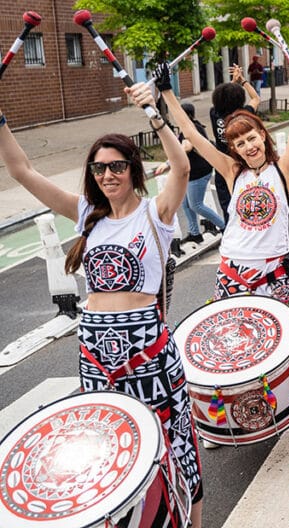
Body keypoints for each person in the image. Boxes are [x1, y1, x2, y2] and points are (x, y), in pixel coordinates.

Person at [0, 86, 205, 527]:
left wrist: (153, 113)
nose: (108, 175)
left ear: (133, 170)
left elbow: (183, 168)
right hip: (95, 349)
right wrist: (0, 120)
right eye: (99, 168)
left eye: (116, 167)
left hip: (147, 347)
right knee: (107, 447)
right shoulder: (84, 216)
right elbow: (22, 171)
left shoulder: (155, 213)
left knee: (174, 440)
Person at [155, 67, 289, 443]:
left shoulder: (281, 170)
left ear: (262, 137)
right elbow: (190, 134)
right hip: (232, 273)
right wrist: (168, 93)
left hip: (274, 276)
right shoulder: (232, 171)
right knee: (230, 350)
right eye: (240, 143)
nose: (248, 146)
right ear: (233, 149)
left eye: (252, 138)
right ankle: (224, 425)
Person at [155, 102, 225, 245]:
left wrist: (168, 163)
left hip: (199, 173)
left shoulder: (192, 128)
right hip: (192, 173)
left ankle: (225, 227)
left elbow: (186, 147)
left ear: (185, 115)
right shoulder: (188, 127)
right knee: (186, 204)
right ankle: (195, 233)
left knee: (196, 205)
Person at [210, 68, 260, 215]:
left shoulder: (214, 114)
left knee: (228, 211)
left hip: (222, 167)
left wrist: (232, 84)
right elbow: (255, 98)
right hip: (243, 165)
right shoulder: (244, 116)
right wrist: (242, 80)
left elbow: (224, 99)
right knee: (247, 209)